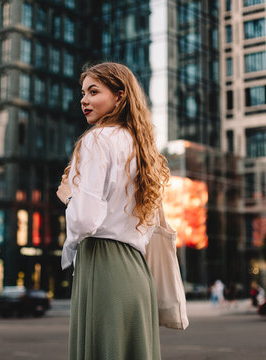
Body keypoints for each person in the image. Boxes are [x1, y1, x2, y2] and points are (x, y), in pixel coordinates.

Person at [56, 62, 169, 360]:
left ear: (119, 96)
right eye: (83, 93)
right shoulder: (142, 150)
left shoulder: (96, 140)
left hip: (103, 265)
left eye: (94, 91)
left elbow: (84, 220)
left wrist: (69, 198)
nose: (84, 100)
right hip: (137, 272)